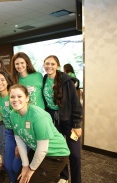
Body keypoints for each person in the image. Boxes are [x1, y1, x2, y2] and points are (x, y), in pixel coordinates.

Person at [9, 84, 70, 183]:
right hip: (37, 150)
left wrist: (31, 169)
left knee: (30, 180)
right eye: (12, 97)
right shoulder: (13, 114)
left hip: (56, 155)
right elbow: (19, 140)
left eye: (19, 96)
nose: (15, 99)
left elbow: (42, 149)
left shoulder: (38, 116)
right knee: (20, 180)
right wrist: (25, 166)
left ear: (27, 98)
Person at [43, 55, 83, 183]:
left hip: (70, 123)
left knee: (75, 155)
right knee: (60, 151)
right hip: (53, 123)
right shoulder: (44, 79)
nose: (49, 66)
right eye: (47, 63)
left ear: (58, 66)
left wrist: (77, 124)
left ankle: (76, 180)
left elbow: (76, 104)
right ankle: (64, 177)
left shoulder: (67, 81)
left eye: (52, 64)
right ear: (44, 65)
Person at [0, 71, 21, 183]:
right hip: (6, 132)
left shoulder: (13, 96)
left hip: (19, 132)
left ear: (8, 81)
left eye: (2, 80)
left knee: (16, 165)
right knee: (8, 166)